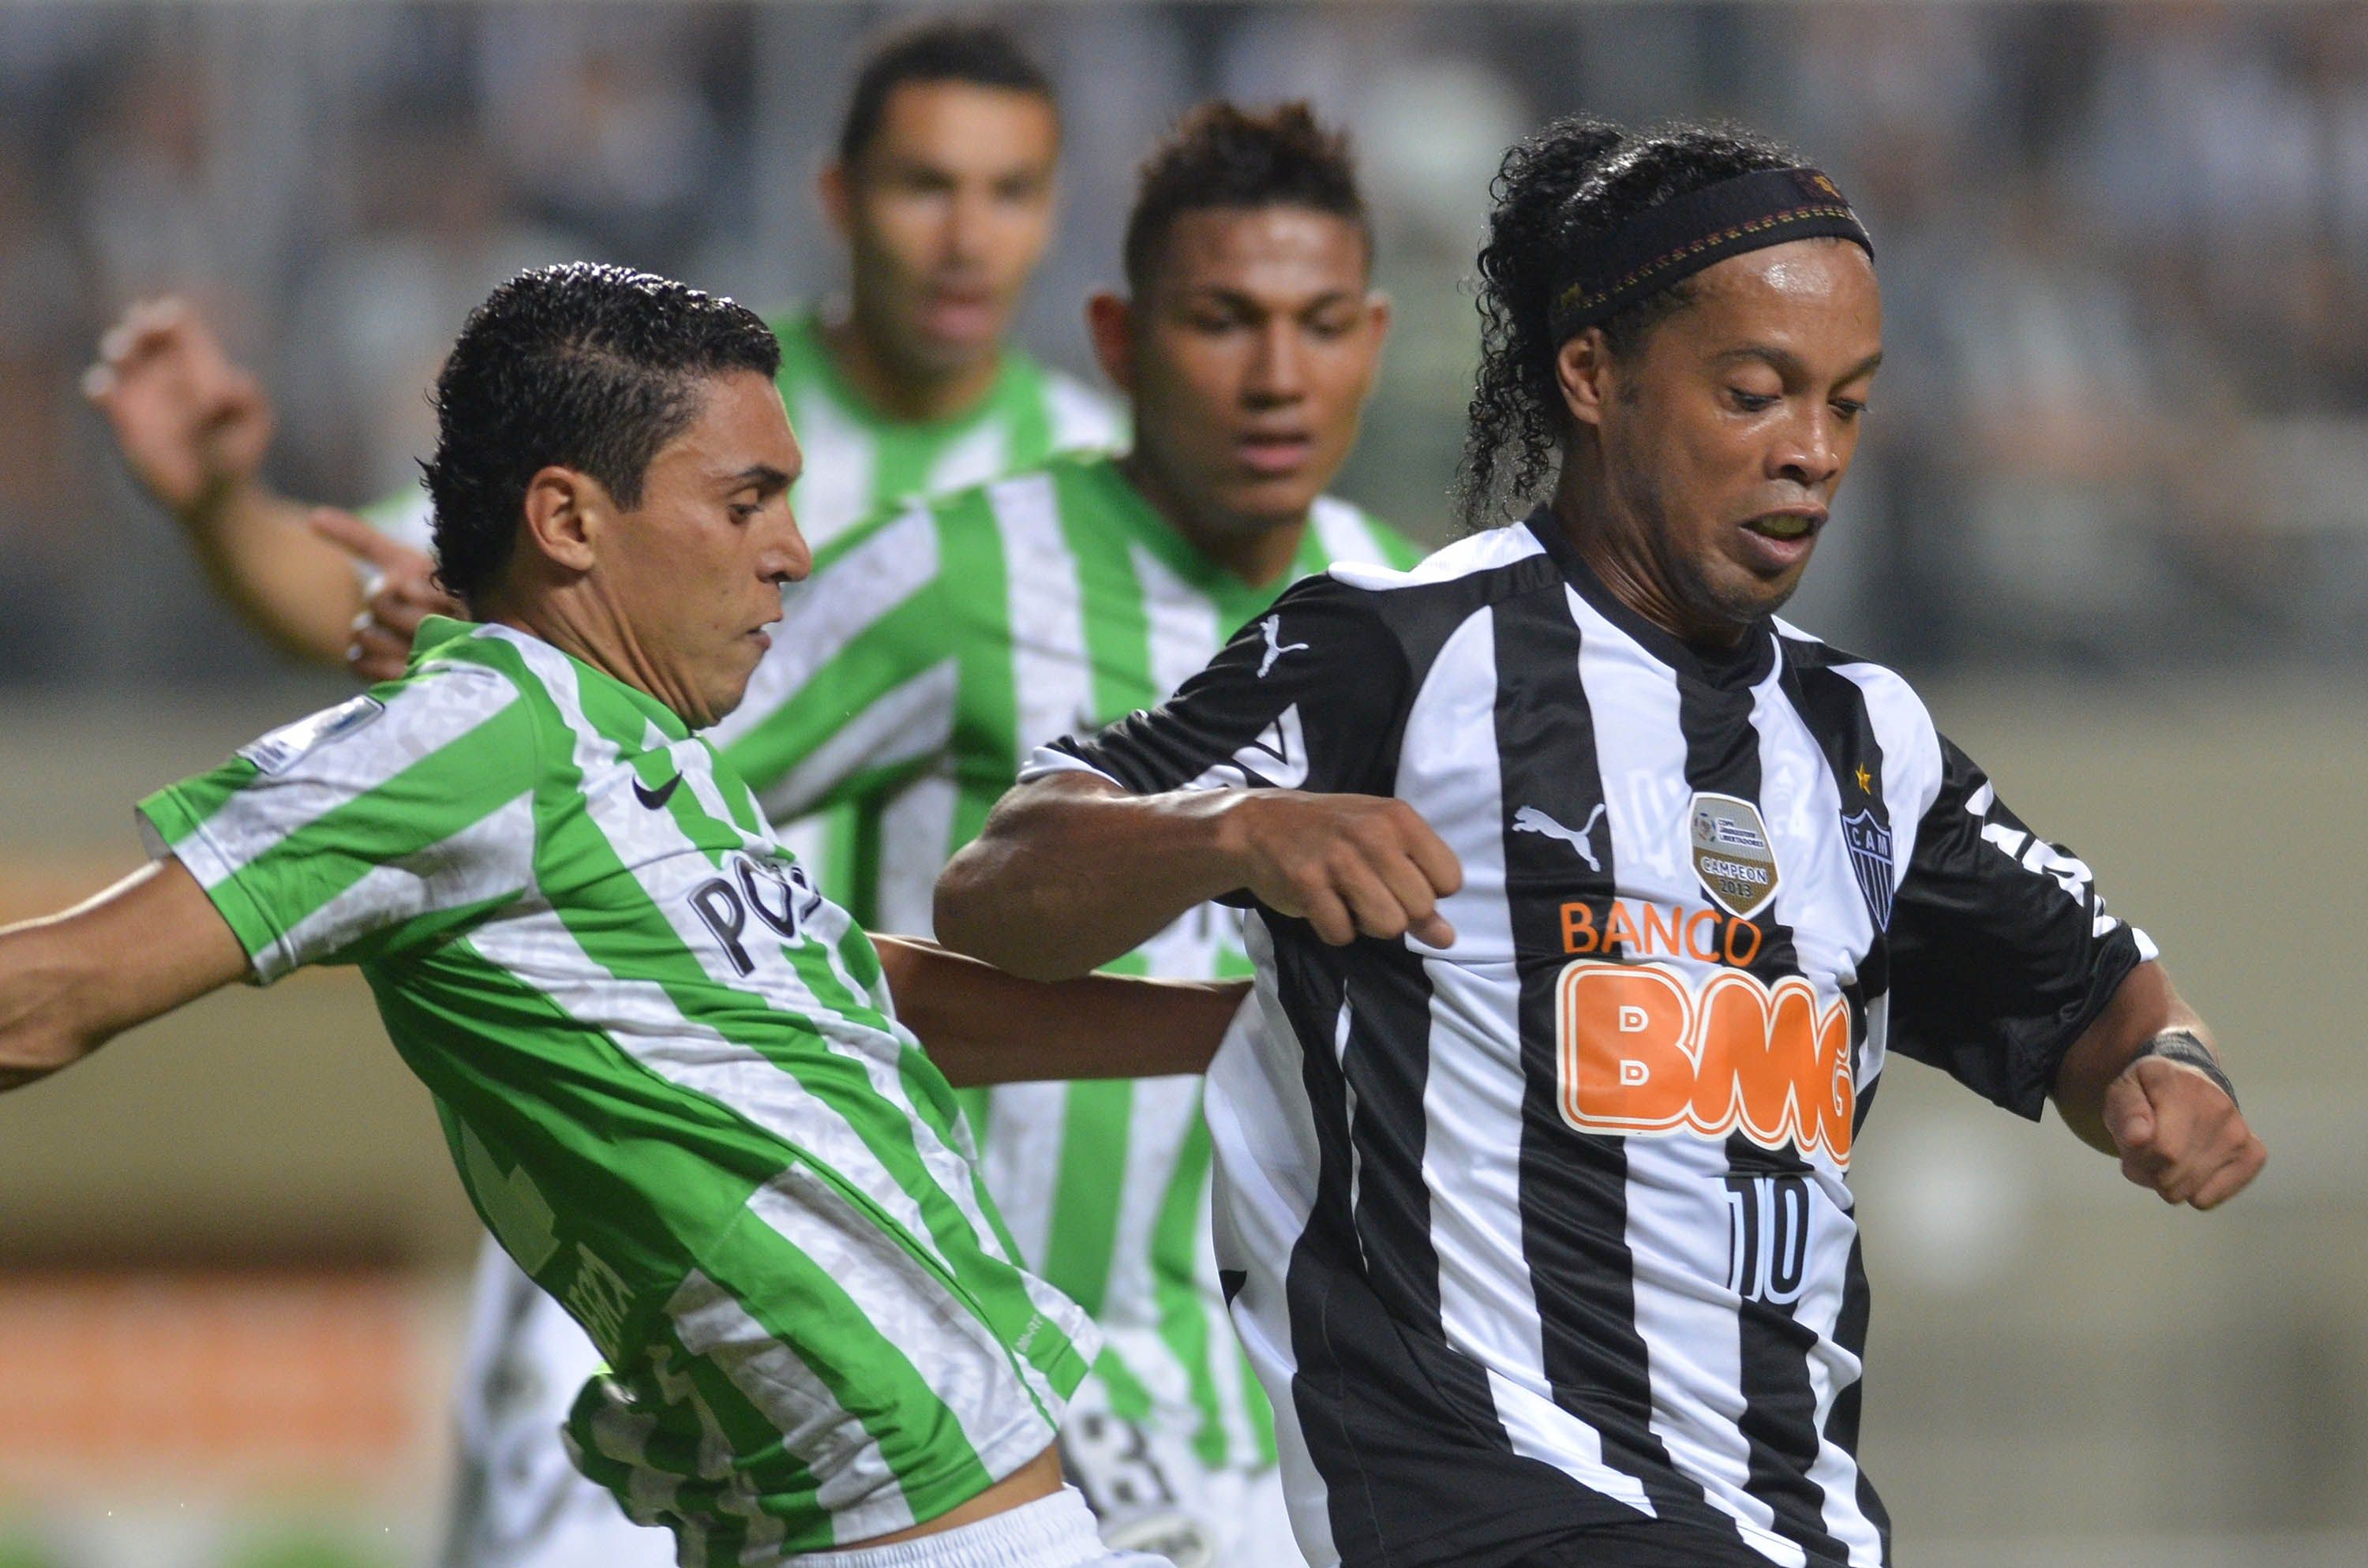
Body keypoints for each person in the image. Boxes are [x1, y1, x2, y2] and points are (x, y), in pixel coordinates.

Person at [931, 119, 2269, 1568]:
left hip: (1794, 1524)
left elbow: (2098, 998)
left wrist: (2170, 1072)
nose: (1811, 454)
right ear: (1593, 376)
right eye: (1754, 395)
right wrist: (1238, 831)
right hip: (1485, 1507)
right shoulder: (1392, 652)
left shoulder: (1866, 739)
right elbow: (1002, 883)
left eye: (1849, 405)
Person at [2, 261, 1240, 1568]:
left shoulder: (643, 745)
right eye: (746, 500)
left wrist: (1233, 1029)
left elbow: (853, 991)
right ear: (570, 522)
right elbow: (56, 991)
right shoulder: (478, 726)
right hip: (906, 1536)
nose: (794, 550)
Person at [706, 102, 1416, 1566]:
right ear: (1117, 337)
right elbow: (656, 791)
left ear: (1376, 338)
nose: (1277, 375)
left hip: (1295, 1416)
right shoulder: (957, 572)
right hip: (999, 1390)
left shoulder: (1413, 615)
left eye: (1320, 322)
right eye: (1223, 320)